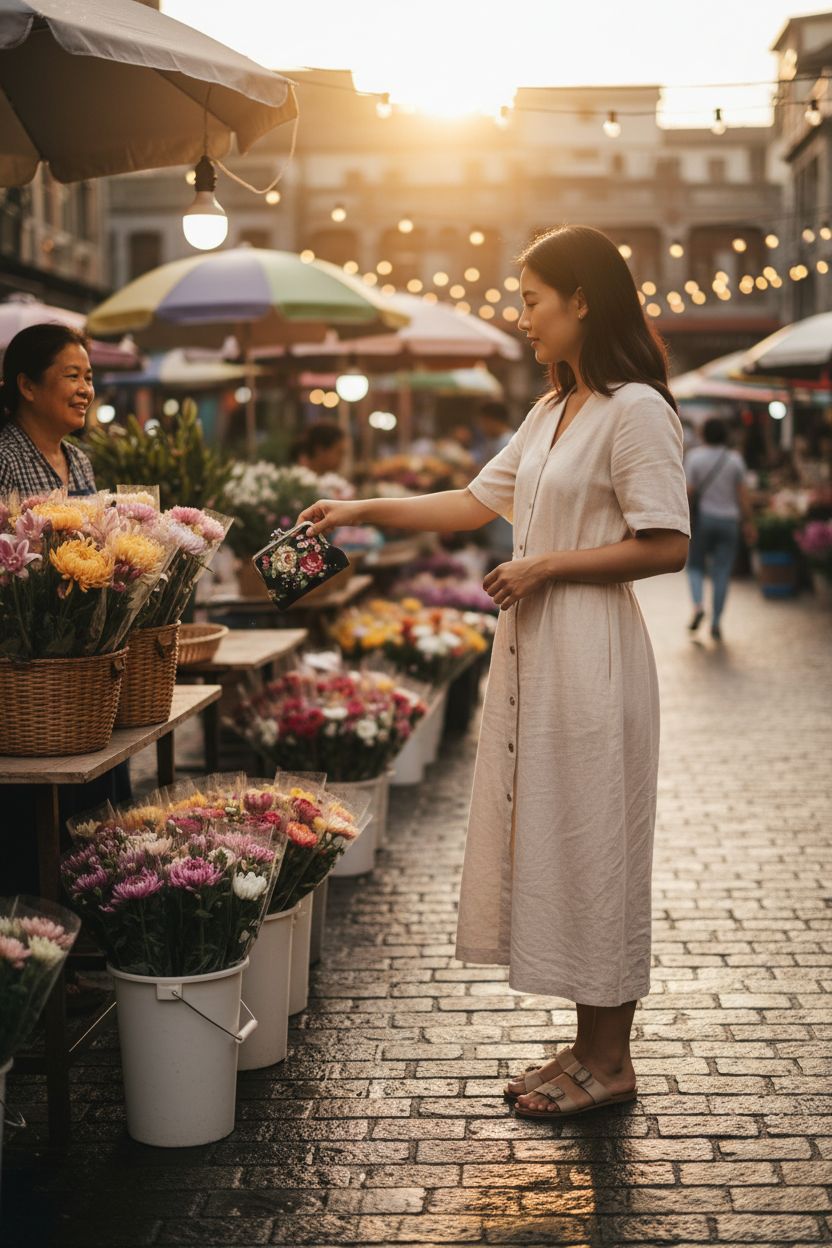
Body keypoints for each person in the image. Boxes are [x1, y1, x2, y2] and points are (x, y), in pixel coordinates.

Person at [298, 225, 690, 1122]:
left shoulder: (636, 408)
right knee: (560, 840)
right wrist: (356, 506)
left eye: (531, 302)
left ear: (582, 300)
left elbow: (667, 544)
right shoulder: (553, 411)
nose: (524, 320)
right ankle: (590, 1044)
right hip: (542, 657)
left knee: (598, 843)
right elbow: (473, 502)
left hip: (592, 653)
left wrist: (547, 565)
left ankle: (612, 1059)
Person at [0, 325, 131, 1007]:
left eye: (88, 375)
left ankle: (79, 940)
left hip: (74, 670)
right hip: (20, 670)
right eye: (70, 375)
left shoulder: (76, 461)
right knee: (27, 815)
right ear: (26, 385)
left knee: (93, 797)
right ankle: (34, 968)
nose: (85, 388)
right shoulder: (4, 458)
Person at [684, 416, 755, 642]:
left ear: (704, 434)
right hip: (729, 522)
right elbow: (743, 496)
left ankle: (697, 607)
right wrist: (749, 523)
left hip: (704, 520)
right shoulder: (734, 460)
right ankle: (716, 622)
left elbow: (688, 492)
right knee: (722, 572)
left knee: (695, 566)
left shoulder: (695, 458)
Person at [476, 402, 516, 573]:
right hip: (500, 525)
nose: (481, 427)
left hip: (506, 529)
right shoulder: (498, 442)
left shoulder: (508, 444)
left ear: (490, 420)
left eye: (482, 422)